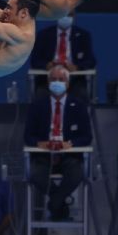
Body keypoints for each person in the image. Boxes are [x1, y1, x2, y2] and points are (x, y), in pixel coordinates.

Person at [24, 65, 92, 220]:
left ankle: (54, 204)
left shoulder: (79, 105)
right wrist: (39, 143)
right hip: (45, 155)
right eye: (53, 79)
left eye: (61, 80)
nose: (57, 82)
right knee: (35, 174)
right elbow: (28, 136)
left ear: (68, 84)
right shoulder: (37, 106)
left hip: (68, 155)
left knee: (77, 174)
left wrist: (71, 144)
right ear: (48, 82)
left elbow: (87, 137)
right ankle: (59, 204)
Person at [30, 9, 97, 100]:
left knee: (81, 94)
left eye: (69, 15)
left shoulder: (83, 35)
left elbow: (91, 61)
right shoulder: (44, 35)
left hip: (74, 80)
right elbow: (34, 60)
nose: (66, 18)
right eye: (63, 15)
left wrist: (76, 67)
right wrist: (46, 65)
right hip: (48, 79)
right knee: (41, 94)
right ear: (57, 16)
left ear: (74, 17)